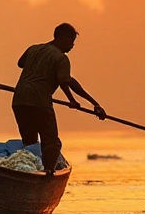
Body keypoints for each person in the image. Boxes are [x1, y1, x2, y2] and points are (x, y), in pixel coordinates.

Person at [12, 23, 106, 175]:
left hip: (19, 100)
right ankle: (48, 174)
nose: (72, 46)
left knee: (30, 143)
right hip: (40, 101)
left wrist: (94, 103)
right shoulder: (61, 58)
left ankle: (29, 172)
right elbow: (63, 82)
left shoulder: (33, 49)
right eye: (70, 41)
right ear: (61, 38)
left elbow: (21, 63)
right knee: (51, 143)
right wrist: (71, 101)